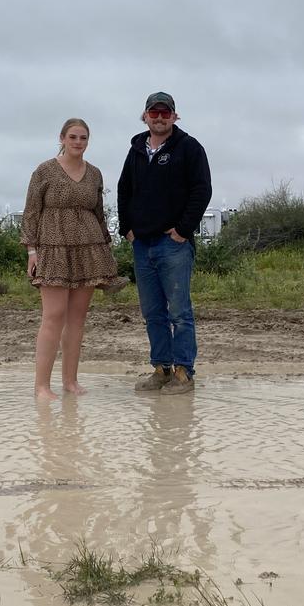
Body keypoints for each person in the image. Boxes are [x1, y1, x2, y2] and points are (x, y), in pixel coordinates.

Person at [117, 91, 213, 395]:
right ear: (145, 116)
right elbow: (123, 190)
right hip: (142, 245)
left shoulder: (189, 148)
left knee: (179, 312)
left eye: (165, 113)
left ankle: (184, 373)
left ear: (175, 116)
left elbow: (202, 190)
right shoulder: (135, 150)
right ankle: (161, 369)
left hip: (173, 245)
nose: (159, 118)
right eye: (154, 113)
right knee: (153, 313)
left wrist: (184, 229)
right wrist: (126, 229)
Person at [22, 118, 124, 400]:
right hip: (53, 248)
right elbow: (31, 211)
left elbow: (100, 213)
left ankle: (70, 381)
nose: (78, 142)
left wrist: (106, 248)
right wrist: (32, 250)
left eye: (83, 138)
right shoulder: (44, 171)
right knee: (53, 316)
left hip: (89, 248)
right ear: (62, 138)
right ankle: (41, 386)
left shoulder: (95, 174)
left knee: (77, 319)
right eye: (73, 137)